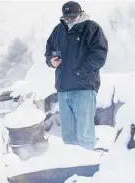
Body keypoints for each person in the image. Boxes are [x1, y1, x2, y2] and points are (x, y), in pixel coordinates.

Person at [44, 1, 108, 150]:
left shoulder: (91, 28)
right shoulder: (58, 30)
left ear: (80, 14)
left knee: (84, 134)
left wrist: (82, 73)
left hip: (84, 88)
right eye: (67, 18)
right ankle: (72, 167)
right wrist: (51, 61)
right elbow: (49, 51)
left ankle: (87, 167)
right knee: (68, 135)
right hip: (63, 88)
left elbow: (99, 54)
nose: (70, 20)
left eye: (73, 17)